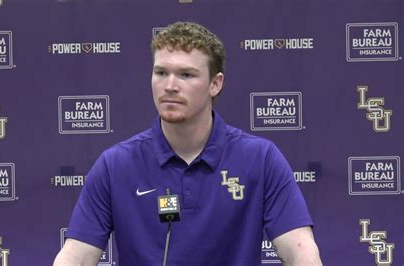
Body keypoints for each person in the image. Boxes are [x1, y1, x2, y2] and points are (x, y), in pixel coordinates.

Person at [54, 21, 322, 266]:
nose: (170, 85)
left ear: (215, 84)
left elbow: (301, 250)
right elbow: (75, 256)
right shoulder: (115, 165)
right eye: (161, 72)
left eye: (186, 75)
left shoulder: (260, 158)